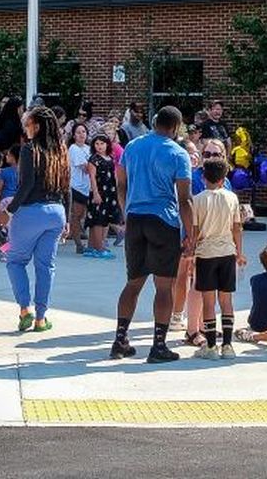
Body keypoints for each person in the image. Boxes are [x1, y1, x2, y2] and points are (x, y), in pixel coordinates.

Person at [111, 104, 196, 363]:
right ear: (175, 127)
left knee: (133, 282)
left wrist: (127, 213)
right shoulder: (177, 154)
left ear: (156, 121)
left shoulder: (133, 147)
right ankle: (159, 345)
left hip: (135, 218)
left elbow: (121, 184)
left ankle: (119, 340)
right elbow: (185, 199)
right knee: (163, 287)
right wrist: (190, 234)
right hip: (163, 221)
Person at [0, 105, 70, 333]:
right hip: (56, 213)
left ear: (36, 126)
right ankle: (41, 318)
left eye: (27, 124)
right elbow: (66, 187)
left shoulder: (30, 149)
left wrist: (8, 211)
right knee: (45, 266)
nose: (25, 127)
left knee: (15, 261)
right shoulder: (61, 150)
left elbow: (26, 185)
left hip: (30, 213)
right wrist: (66, 219)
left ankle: (24, 310)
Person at [188, 157, 244, 359]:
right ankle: (228, 345)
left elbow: (194, 231)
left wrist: (191, 253)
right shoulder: (232, 198)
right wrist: (239, 252)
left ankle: (210, 346)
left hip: (206, 253)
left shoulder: (198, 199)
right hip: (227, 251)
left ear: (204, 178)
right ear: (224, 178)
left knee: (208, 301)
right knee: (226, 300)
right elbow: (237, 227)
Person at [83, 133, 120, 259]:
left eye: (102, 143)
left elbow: (114, 175)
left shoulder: (110, 158)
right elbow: (92, 178)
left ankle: (96, 246)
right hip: (99, 192)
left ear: (107, 145)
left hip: (110, 192)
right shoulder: (93, 159)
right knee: (97, 220)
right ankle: (98, 248)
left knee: (105, 220)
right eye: (97, 144)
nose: (99, 146)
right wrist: (96, 194)